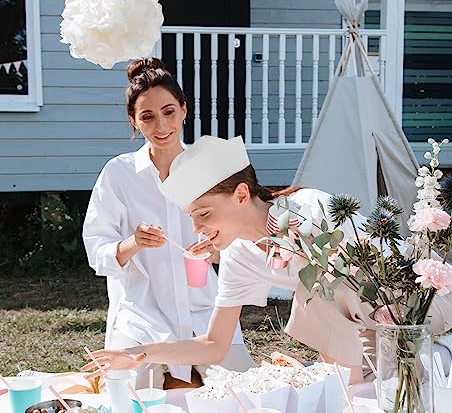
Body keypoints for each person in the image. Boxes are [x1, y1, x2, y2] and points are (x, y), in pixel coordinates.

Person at [83, 135, 452, 384]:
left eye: (204, 214)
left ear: (241, 194)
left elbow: (382, 275)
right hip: (361, 328)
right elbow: (214, 344)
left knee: (313, 297)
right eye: (192, 217)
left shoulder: (309, 210)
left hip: (416, 303)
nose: (196, 228)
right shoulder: (238, 254)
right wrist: (138, 354)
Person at [82, 64, 254, 390]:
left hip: (204, 309)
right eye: (147, 116)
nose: (161, 125)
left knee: (242, 396)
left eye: (169, 112)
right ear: (134, 120)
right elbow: (97, 253)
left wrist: (217, 249)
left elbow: (241, 242)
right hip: (142, 314)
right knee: (130, 408)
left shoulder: (210, 169)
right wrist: (133, 243)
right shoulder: (118, 174)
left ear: (184, 110)